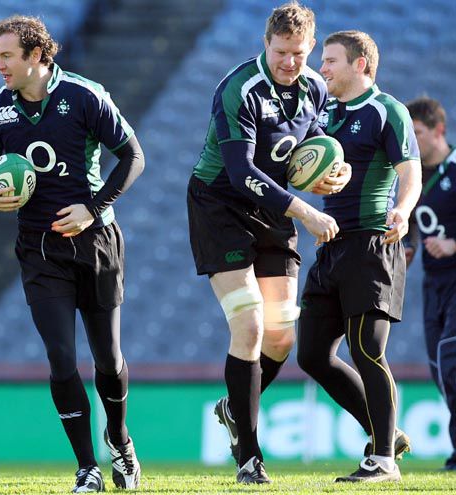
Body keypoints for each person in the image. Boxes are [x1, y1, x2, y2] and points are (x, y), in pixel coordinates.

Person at [0, 16, 144, 493]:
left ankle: (120, 440)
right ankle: (87, 467)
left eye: (6, 56)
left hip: (97, 244)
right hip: (39, 250)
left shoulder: (85, 96)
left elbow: (134, 157)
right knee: (62, 359)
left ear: (36, 56)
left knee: (108, 358)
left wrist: (92, 207)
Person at [187, 2, 351, 484]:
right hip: (219, 204)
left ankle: (235, 407)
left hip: (271, 211)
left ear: (311, 47)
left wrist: (331, 173)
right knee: (251, 324)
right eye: (281, 52)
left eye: (299, 53)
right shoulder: (238, 89)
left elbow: (312, 144)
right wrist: (306, 209)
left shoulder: (316, 88)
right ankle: (249, 459)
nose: (289, 62)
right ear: (266, 43)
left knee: (282, 336)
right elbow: (240, 174)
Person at [297, 30, 421, 483]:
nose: (322, 68)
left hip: (373, 244)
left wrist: (403, 211)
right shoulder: (324, 112)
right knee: (311, 355)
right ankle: (387, 433)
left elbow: (411, 172)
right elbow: (312, 175)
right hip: (331, 245)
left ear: (360, 65)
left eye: (330, 61)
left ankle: (384, 459)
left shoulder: (387, 111)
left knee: (367, 350)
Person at [405, 96, 456, 471]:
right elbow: (408, 223)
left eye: (417, 133)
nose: (413, 142)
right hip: (433, 284)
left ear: (439, 130)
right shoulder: (413, 174)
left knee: (451, 360)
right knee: (439, 369)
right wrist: (407, 248)